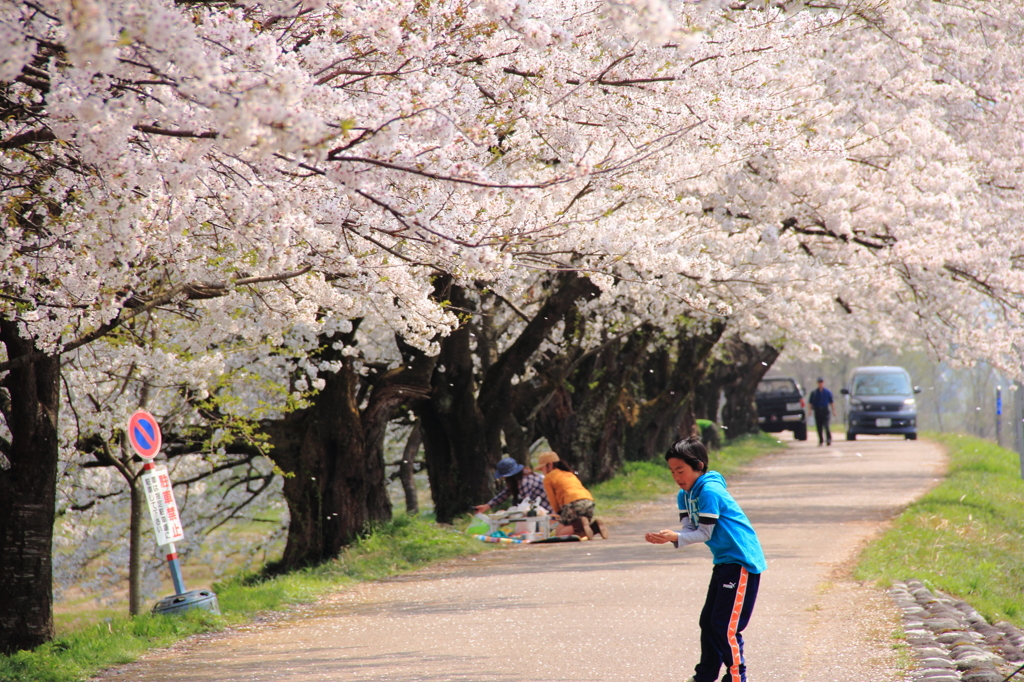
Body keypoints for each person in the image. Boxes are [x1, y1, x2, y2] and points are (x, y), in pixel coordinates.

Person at [645, 437, 766, 682]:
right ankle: (705, 676)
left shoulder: (710, 491)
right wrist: (670, 537)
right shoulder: (685, 495)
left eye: (681, 470)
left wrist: (675, 536)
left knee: (724, 625)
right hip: (724, 561)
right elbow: (689, 529)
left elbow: (704, 533)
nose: (677, 476)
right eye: (672, 471)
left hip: (741, 562)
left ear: (698, 466)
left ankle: (736, 677)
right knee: (708, 622)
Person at [535, 451, 607, 540]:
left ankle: (580, 524)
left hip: (573, 503)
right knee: (578, 532)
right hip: (589, 502)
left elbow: (552, 500)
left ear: (549, 465)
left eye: (542, 469)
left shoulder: (548, 478)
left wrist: (559, 513)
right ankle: (594, 527)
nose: (542, 472)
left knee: (559, 533)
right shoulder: (569, 473)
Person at [474, 456, 552, 514]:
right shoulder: (519, 478)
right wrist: (487, 506)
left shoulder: (524, 482)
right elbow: (504, 494)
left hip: (549, 511)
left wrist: (507, 515)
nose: (503, 478)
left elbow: (527, 506)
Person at [808, 377, 837, 446]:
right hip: (817, 410)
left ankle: (829, 439)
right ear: (817, 383)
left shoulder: (827, 392)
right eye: (819, 382)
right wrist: (810, 410)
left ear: (823, 383)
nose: (820, 384)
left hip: (825, 410)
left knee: (826, 426)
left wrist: (834, 410)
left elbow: (831, 402)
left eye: (821, 382)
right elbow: (810, 402)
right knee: (819, 427)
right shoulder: (814, 393)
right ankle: (821, 440)